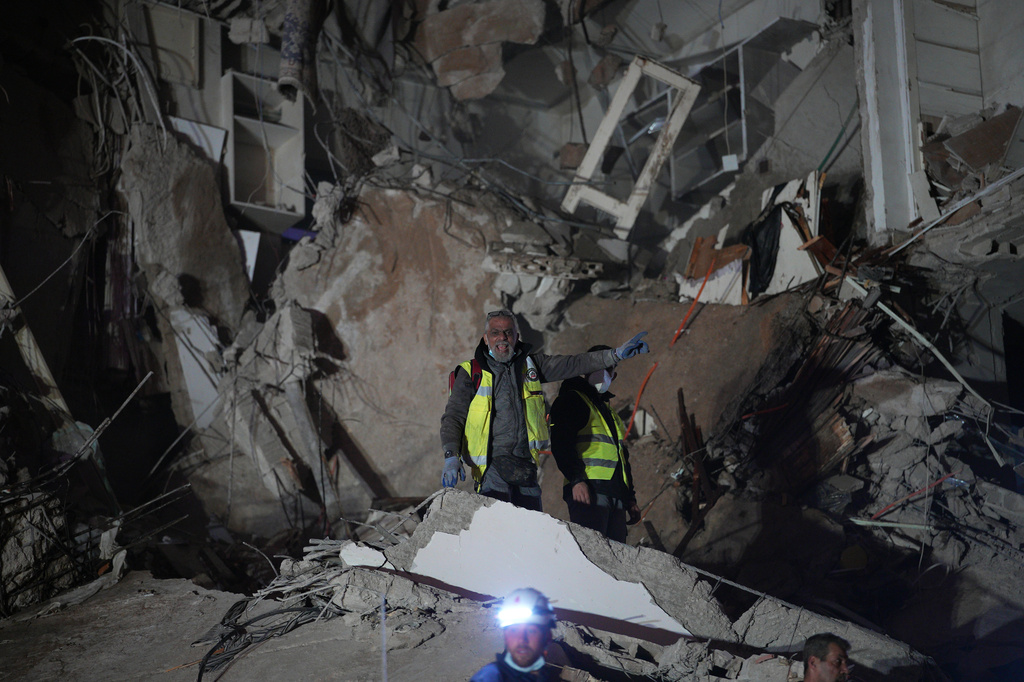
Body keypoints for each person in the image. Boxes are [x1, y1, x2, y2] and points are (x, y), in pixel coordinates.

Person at [440, 309, 649, 511]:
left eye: (508, 332)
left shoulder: (532, 366)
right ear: (486, 338)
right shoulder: (471, 372)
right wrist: (451, 455)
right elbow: (454, 416)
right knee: (499, 534)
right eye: (495, 333)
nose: (502, 338)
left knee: (531, 538)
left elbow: (573, 363)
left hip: (526, 467)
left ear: (516, 337)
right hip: (491, 469)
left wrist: (614, 355)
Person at [549, 345, 640, 542]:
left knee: (614, 560)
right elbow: (561, 444)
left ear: (613, 376)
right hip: (589, 490)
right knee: (593, 558)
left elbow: (622, 458)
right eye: (599, 365)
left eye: (609, 368)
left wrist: (629, 497)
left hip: (615, 494)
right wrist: (576, 480)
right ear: (584, 368)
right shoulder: (571, 400)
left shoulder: (608, 412)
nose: (603, 373)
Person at [470, 588, 559, 682]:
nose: (521, 640)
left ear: (547, 637)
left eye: (531, 631)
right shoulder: (490, 676)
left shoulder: (545, 676)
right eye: (514, 631)